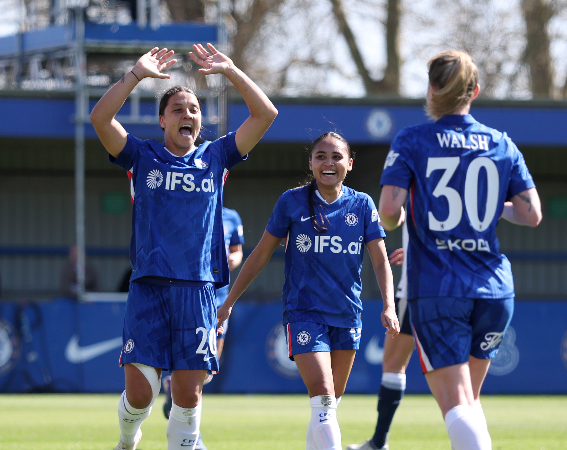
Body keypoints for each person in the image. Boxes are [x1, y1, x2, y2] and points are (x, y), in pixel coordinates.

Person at [89, 43, 277, 450]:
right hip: (150, 287)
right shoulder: (142, 156)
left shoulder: (217, 156)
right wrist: (135, 75)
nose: (187, 114)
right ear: (162, 121)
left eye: (194, 109)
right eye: (177, 109)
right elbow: (100, 118)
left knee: (188, 396)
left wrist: (231, 71)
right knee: (141, 395)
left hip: (199, 290)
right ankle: (127, 438)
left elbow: (266, 115)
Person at [377, 50, 542, 450]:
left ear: (432, 90)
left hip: (439, 288)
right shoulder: (502, 143)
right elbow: (531, 213)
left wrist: (409, 225)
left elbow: (389, 214)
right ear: (475, 91)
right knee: (469, 400)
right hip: (495, 290)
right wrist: (487, 208)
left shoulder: (413, 139)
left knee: (456, 405)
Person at [217, 132, 400, 450]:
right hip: (304, 314)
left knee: (328, 406)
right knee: (324, 398)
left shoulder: (362, 204)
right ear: (312, 163)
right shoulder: (292, 202)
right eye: (321, 156)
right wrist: (229, 301)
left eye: (336, 156)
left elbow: (381, 260)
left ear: (349, 163)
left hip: (347, 315)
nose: (329, 162)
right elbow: (260, 254)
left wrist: (389, 305)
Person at [161, 205, 245, 449]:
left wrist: (232, 260)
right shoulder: (186, 209)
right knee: (194, 369)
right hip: (189, 297)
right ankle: (193, 438)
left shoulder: (231, 216)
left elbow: (237, 250)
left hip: (218, 300)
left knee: (207, 371)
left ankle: (174, 388)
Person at [347, 229, 414, 450]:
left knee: (394, 365)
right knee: (461, 375)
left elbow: (390, 214)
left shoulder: (418, 204)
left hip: (419, 290)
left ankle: (378, 442)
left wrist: (421, 250)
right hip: (469, 292)